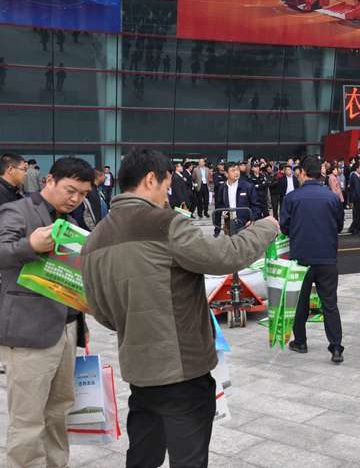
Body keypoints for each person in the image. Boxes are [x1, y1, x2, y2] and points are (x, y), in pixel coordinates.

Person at [81, 149, 279, 468]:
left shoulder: (94, 240)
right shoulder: (165, 223)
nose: (167, 195)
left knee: (143, 456)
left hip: (139, 370)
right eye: (166, 185)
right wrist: (266, 227)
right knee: (189, 457)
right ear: (151, 180)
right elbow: (225, 256)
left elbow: (100, 310)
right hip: (183, 368)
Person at [0, 157, 94, 468]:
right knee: (27, 419)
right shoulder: (17, 211)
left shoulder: (72, 220)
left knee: (59, 411)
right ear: (49, 180)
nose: (75, 198)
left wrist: (80, 320)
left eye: (83, 193)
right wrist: (29, 244)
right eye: (70, 190)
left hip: (66, 328)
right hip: (29, 332)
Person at [281, 157, 345, 363]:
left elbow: (284, 227)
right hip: (327, 256)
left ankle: (300, 341)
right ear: (321, 173)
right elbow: (338, 225)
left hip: (301, 257)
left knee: (301, 303)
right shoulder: (332, 198)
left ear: (303, 172)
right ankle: (336, 347)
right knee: (330, 304)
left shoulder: (292, 198)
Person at [213, 162, 262, 237]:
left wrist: (252, 219)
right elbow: (219, 207)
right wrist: (217, 229)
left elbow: (256, 205)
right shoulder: (222, 188)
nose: (236, 172)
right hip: (229, 223)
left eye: (237, 170)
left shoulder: (248, 186)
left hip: (245, 224)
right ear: (226, 174)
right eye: (233, 170)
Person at [347, 162, 360, 234]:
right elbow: (357, 188)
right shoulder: (355, 176)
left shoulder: (355, 176)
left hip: (356, 198)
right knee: (358, 214)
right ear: (357, 169)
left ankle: (354, 228)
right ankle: (356, 229)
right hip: (357, 198)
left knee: (357, 214)